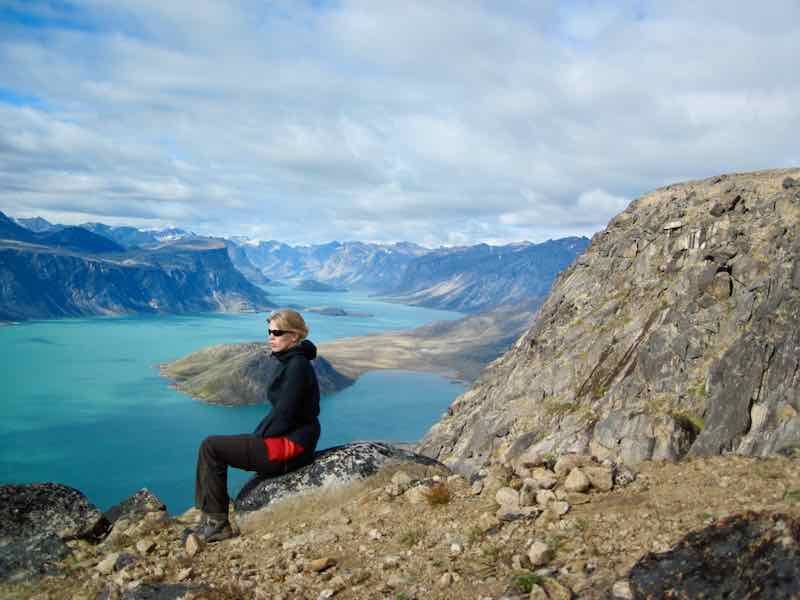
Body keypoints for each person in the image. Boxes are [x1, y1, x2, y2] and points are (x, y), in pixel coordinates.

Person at [192, 309, 321, 542]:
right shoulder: (294, 360)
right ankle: (210, 520)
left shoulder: (297, 366)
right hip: (296, 439)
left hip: (291, 445)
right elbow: (285, 413)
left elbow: (285, 413)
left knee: (211, 447)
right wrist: (257, 439)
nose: (271, 337)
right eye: (269, 332)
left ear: (294, 336)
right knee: (215, 446)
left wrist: (257, 440)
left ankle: (217, 523)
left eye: (277, 333)